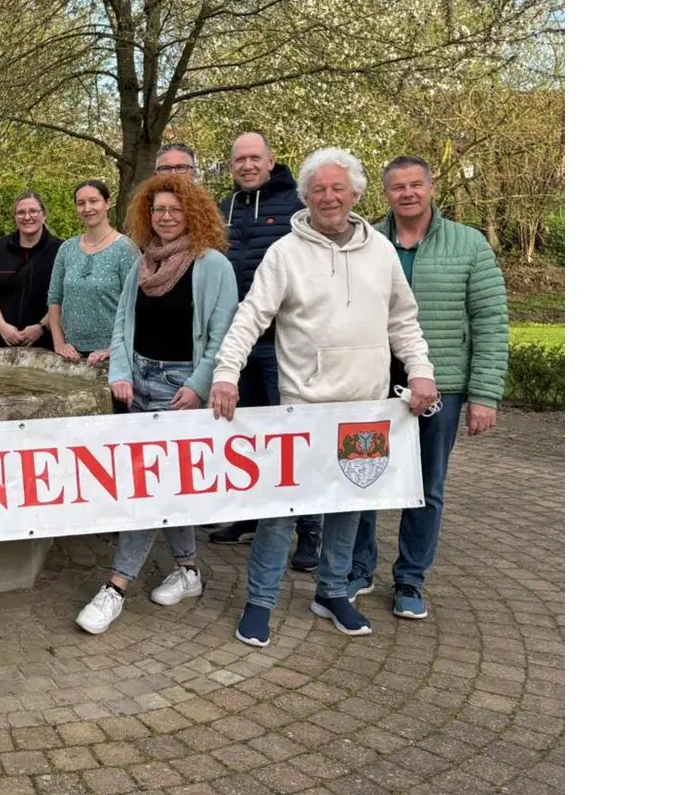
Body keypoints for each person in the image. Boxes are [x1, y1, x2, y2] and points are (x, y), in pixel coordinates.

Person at [208, 147, 438, 649]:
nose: (329, 197)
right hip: (303, 410)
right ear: (305, 195)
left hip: (367, 409)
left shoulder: (380, 251)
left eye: (338, 189)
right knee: (280, 512)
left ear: (355, 194)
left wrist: (420, 372)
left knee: (348, 508)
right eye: (318, 189)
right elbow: (250, 318)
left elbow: (403, 320)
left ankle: (333, 592)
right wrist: (226, 374)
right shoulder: (285, 254)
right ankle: (260, 601)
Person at [346, 155, 509, 620]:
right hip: (372, 382)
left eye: (416, 184)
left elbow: (491, 321)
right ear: (386, 194)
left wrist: (484, 394)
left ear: (432, 187)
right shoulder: (366, 242)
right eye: (398, 187)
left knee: (426, 487)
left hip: (442, 384)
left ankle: (411, 579)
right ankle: (359, 568)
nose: (408, 193)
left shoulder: (469, 244)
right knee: (363, 478)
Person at [76, 175, 238, 634]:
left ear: (193, 213)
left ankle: (116, 586)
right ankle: (188, 570)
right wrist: (120, 372)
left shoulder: (212, 266)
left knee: (150, 486)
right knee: (167, 483)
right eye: (158, 210)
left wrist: (200, 384)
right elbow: (122, 324)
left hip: (180, 386)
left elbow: (223, 336)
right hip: (140, 382)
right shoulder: (142, 264)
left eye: (175, 209)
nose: (165, 217)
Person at [209, 132, 323, 572]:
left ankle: (310, 528)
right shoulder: (223, 211)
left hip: (284, 346)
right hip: (237, 345)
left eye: (255, 158)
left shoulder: (297, 206)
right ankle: (251, 516)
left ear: (271, 160)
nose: (247, 165)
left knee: (295, 439)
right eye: (240, 159)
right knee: (248, 436)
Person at [46, 180, 139, 375]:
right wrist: (59, 343)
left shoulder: (125, 249)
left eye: (93, 201)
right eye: (81, 203)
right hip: (71, 355)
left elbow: (137, 306)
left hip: (112, 357)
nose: (87, 208)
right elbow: (55, 299)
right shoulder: (67, 249)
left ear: (107, 203)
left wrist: (113, 349)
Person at [0, 191, 60, 349]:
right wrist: (2, 327)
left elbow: (65, 297)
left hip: (44, 345)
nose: (27, 217)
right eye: (21, 212)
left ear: (44, 215)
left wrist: (42, 327)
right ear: (14, 217)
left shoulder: (61, 250)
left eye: (33, 211)